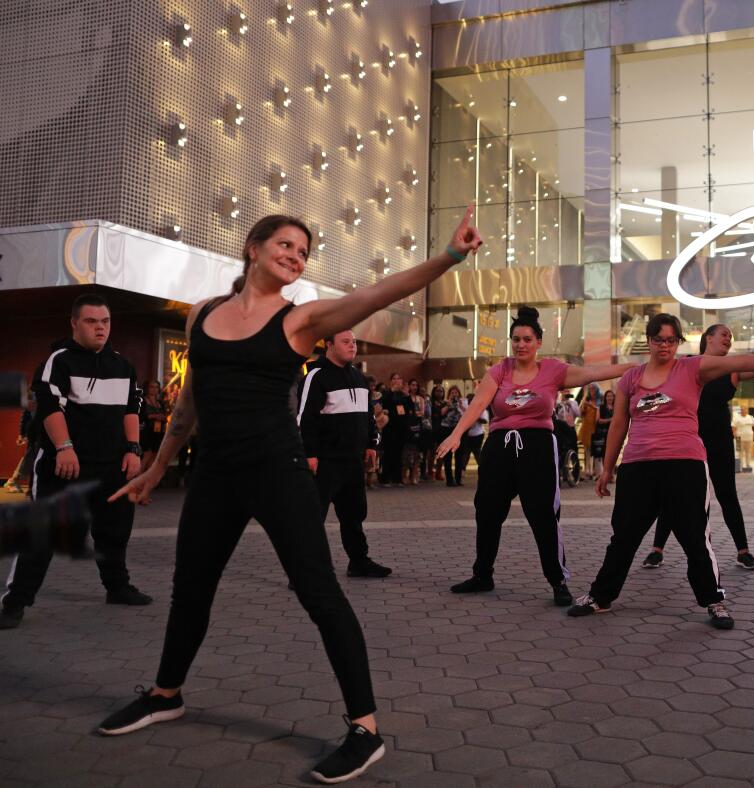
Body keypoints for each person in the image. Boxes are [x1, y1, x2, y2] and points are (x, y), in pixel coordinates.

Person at [97, 208, 482, 784]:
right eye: (285, 243)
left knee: (320, 594)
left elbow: (377, 293)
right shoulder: (203, 314)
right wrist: (157, 468)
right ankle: (165, 693)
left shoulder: (299, 321)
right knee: (190, 590)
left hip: (277, 472)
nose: (295, 255)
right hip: (215, 475)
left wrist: (449, 256)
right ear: (253, 247)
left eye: (303, 251)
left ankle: (366, 729)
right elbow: (189, 405)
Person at [568, 315, 754, 629]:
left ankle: (714, 600)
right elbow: (619, 424)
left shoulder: (691, 368)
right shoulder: (631, 379)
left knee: (694, 537)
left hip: (684, 464)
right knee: (623, 537)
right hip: (637, 467)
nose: (665, 345)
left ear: (678, 342)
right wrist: (607, 469)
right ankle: (600, 597)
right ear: (648, 341)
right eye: (659, 339)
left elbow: (740, 362)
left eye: (671, 340)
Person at [437, 306, 633, 607]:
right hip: (500, 446)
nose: (521, 345)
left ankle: (558, 581)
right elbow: (478, 405)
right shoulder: (500, 369)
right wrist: (456, 434)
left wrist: (637, 369)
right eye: (516, 339)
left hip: (537, 447)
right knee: (487, 512)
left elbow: (595, 372)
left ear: (538, 342)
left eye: (527, 339)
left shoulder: (553, 370)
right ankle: (482, 575)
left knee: (543, 515)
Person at [1, 294, 149, 630]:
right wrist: (65, 447)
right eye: (91, 321)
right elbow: (51, 407)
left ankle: (117, 587)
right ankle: (15, 602)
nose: (100, 328)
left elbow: (131, 410)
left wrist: (133, 450)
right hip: (65, 465)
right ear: (74, 323)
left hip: (114, 466)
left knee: (115, 532)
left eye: (105, 322)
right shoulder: (59, 361)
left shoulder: (122, 365)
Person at [642, 323, 754, 572]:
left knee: (727, 495)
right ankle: (657, 550)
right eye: (724, 334)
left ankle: (743, 551)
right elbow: (664, 392)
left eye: (731, 337)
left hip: (720, 439)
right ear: (708, 338)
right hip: (688, 438)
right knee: (674, 493)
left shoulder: (731, 370)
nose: (729, 339)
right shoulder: (688, 365)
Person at [297, 329, 391, 578]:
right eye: (346, 342)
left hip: (352, 461)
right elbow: (305, 418)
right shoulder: (315, 376)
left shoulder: (358, 377)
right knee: (312, 517)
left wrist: (372, 444)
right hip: (324, 461)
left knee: (353, 515)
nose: (352, 347)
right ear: (328, 345)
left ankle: (358, 561)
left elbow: (369, 417)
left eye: (354, 342)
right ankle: (304, 572)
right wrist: (310, 453)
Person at [378, 373, 409, 487]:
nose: (397, 380)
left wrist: (407, 395)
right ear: (391, 381)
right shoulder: (386, 393)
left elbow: (409, 408)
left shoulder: (403, 395)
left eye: (399, 378)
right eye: (394, 378)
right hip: (389, 427)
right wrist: (392, 391)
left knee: (398, 453)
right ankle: (385, 478)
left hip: (400, 428)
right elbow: (384, 404)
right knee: (388, 453)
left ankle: (397, 478)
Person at [456, 393, 487, 485]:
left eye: (472, 399)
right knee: (465, 454)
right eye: (469, 400)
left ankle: (484, 474)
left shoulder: (481, 408)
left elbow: (485, 420)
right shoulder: (465, 409)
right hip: (467, 435)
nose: (470, 401)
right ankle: (462, 473)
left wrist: (475, 416)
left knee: (478, 454)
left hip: (478, 435)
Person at [140, 380, 168, 475]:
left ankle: (146, 479)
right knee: (146, 455)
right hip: (146, 431)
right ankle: (137, 479)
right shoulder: (142, 401)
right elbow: (139, 416)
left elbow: (165, 415)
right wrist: (153, 416)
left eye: (156, 387)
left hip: (158, 431)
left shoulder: (161, 402)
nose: (154, 389)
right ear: (147, 388)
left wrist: (163, 418)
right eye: (152, 387)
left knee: (155, 456)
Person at [438, 385, 464, 486]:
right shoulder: (445, 402)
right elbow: (442, 413)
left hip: (458, 430)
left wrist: (460, 405)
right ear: (449, 394)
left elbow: (466, 413)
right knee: (447, 455)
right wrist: (448, 405)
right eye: (452, 393)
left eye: (456, 392)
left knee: (459, 455)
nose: (454, 395)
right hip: (446, 430)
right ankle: (449, 479)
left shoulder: (462, 402)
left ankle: (458, 479)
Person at [590, 390, 615, 481]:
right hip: (603, 433)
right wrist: (610, 420)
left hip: (614, 433)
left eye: (611, 396)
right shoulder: (601, 407)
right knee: (604, 454)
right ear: (605, 397)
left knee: (613, 453)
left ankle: (611, 474)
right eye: (608, 396)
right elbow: (598, 420)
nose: (610, 398)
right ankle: (606, 475)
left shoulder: (616, 407)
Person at [577, 386, 599, 480]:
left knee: (595, 450)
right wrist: (583, 404)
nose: (591, 391)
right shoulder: (586, 401)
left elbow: (598, 410)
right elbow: (581, 414)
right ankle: (587, 470)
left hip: (595, 428)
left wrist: (590, 405)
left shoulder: (599, 401)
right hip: (586, 428)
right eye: (590, 389)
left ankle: (595, 470)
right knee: (587, 450)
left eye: (593, 389)